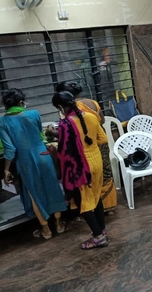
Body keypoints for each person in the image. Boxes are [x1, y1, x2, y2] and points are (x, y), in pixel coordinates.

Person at [0, 89, 67, 240]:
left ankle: (46, 230)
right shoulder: (34, 114)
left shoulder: (3, 122)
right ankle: (59, 224)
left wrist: (5, 169)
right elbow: (39, 135)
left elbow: (10, 149)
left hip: (25, 161)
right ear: (21, 102)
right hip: (43, 156)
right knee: (52, 188)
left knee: (34, 193)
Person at [46, 81, 118, 216]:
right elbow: (101, 121)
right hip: (100, 143)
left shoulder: (74, 109)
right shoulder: (92, 102)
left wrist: (52, 132)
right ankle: (109, 206)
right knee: (105, 173)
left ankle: (90, 210)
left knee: (87, 179)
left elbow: (73, 131)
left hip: (86, 148)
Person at [51, 90, 110, 249]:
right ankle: (102, 231)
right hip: (96, 161)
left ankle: (98, 237)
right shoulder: (91, 116)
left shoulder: (65, 124)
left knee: (83, 202)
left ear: (61, 107)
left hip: (81, 167)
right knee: (96, 197)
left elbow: (64, 151)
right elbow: (103, 139)